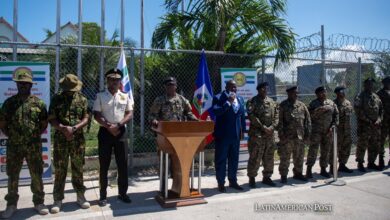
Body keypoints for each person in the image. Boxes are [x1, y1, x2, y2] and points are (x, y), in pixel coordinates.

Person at [0, 68, 49, 218]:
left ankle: (39, 202)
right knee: (13, 175)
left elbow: (44, 124)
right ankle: (11, 204)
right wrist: (14, 136)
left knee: (36, 174)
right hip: (14, 145)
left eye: (25, 84)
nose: (23, 86)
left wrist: (31, 136)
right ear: (16, 85)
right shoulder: (9, 103)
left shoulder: (39, 103)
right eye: (20, 83)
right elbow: (2, 123)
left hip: (33, 145)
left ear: (30, 85)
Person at [48, 74, 90, 213]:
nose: (72, 92)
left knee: (78, 168)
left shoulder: (82, 99)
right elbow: (52, 118)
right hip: (61, 140)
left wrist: (75, 128)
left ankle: (80, 196)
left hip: (77, 139)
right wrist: (62, 128)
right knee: (60, 169)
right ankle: (57, 199)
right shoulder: (56, 99)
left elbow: (86, 117)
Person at [148, 76, 198, 192]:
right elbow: (151, 115)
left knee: (179, 162)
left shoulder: (182, 99)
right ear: (165, 87)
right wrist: (154, 121)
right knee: (164, 164)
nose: (171, 87)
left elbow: (189, 113)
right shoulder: (159, 100)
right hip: (164, 137)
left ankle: (178, 187)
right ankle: (163, 189)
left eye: (173, 85)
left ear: (176, 86)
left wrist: (196, 120)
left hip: (180, 137)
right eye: (168, 85)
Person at [93, 68, 133, 206]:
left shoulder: (125, 96)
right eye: (111, 79)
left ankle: (123, 194)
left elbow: (129, 113)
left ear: (120, 81)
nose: (114, 82)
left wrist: (119, 124)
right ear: (107, 81)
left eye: (117, 80)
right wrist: (109, 126)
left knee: (122, 165)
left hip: (121, 133)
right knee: (104, 165)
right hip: (105, 133)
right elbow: (97, 115)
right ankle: (103, 196)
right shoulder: (100, 96)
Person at [212, 80, 246, 193]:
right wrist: (228, 103)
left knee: (234, 159)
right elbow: (216, 112)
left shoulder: (240, 98)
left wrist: (243, 131)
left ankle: (233, 181)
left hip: (235, 135)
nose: (234, 89)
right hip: (223, 135)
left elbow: (241, 116)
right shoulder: (218, 97)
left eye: (235, 87)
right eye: (231, 87)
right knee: (221, 160)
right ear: (226, 87)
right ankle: (221, 183)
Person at [246, 82, 279, 188]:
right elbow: (251, 116)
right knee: (255, 157)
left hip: (269, 135)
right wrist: (262, 127)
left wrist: (272, 127)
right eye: (263, 89)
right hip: (257, 135)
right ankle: (252, 178)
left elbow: (277, 116)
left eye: (266, 89)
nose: (265, 90)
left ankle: (267, 177)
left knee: (269, 157)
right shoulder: (252, 101)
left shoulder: (272, 102)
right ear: (259, 90)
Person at [278, 86, 311, 184]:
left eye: (297, 93)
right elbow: (279, 122)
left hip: (299, 137)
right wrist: (281, 135)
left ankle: (298, 173)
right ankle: (283, 175)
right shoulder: (283, 106)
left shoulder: (302, 105)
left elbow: (307, 121)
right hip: (287, 137)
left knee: (299, 156)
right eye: (294, 93)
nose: (296, 94)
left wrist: (307, 134)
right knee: (285, 157)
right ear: (289, 93)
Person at [306, 86, 339, 179]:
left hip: (328, 131)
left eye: (325, 92)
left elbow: (336, 115)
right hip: (316, 131)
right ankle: (309, 169)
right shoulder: (313, 104)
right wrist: (319, 110)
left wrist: (333, 126)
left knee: (326, 151)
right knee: (313, 150)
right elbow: (309, 117)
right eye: (321, 92)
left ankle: (323, 169)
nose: (324, 94)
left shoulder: (331, 103)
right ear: (317, 94)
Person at [354, 78, 383, 172]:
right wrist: (369, 121)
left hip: (375, 126)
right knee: (362, 144)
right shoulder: (360, 96)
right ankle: (360, 163)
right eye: (368, 84)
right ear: (365, 85)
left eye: (372, 84)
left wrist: (379, 119)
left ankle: (371, 162)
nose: (370, 86)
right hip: (365, 125)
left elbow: (381, 110)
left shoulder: (376, 97)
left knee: (374, 145)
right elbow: (358, 111)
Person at [331, 86, 353, 174]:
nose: (343, 93)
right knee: (335, 149)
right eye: (341, 91)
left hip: (347, 130)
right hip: (337, 131)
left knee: (346, 148)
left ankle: (342, 165)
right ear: (337, 93)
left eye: (344, 91)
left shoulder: (348, 103)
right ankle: (332, 167)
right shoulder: (333, 103)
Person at [377, 76, 390, 169]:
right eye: (387, 82)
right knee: (381, 140)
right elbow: (377, 108)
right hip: (384, 120)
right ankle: (381, 159)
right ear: (383, 83)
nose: (388, 84)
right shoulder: (379, 93)